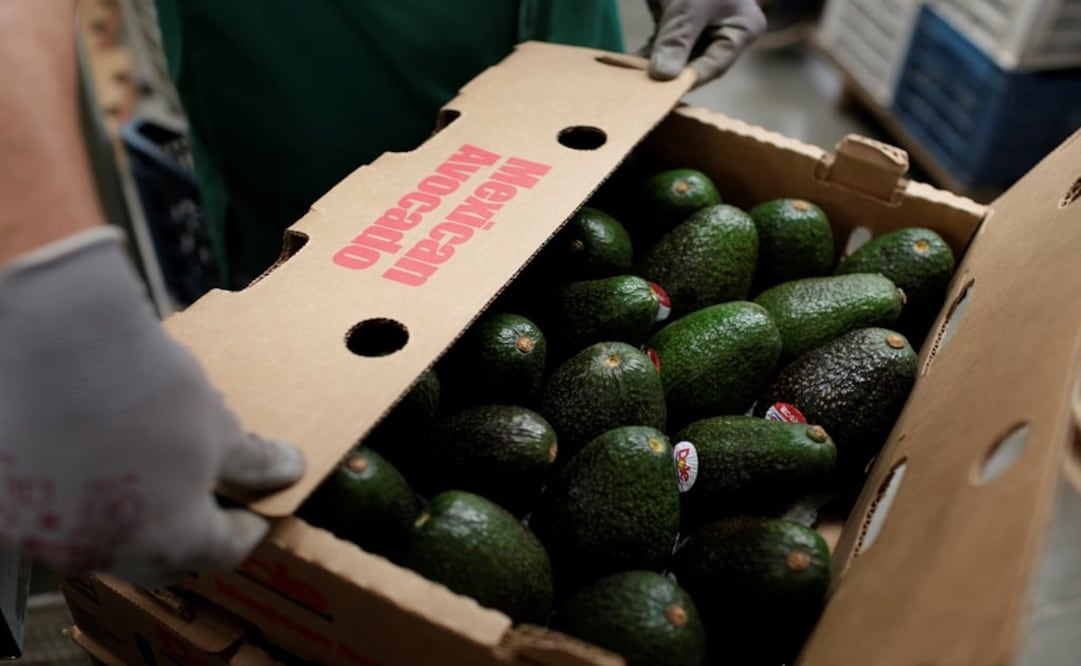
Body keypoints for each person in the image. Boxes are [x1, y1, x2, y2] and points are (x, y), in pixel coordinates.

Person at [0, 1, 764, 588]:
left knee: (571, 245)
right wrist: (43, 272)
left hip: (565, 43)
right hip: (313, 59)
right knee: (333, 318)